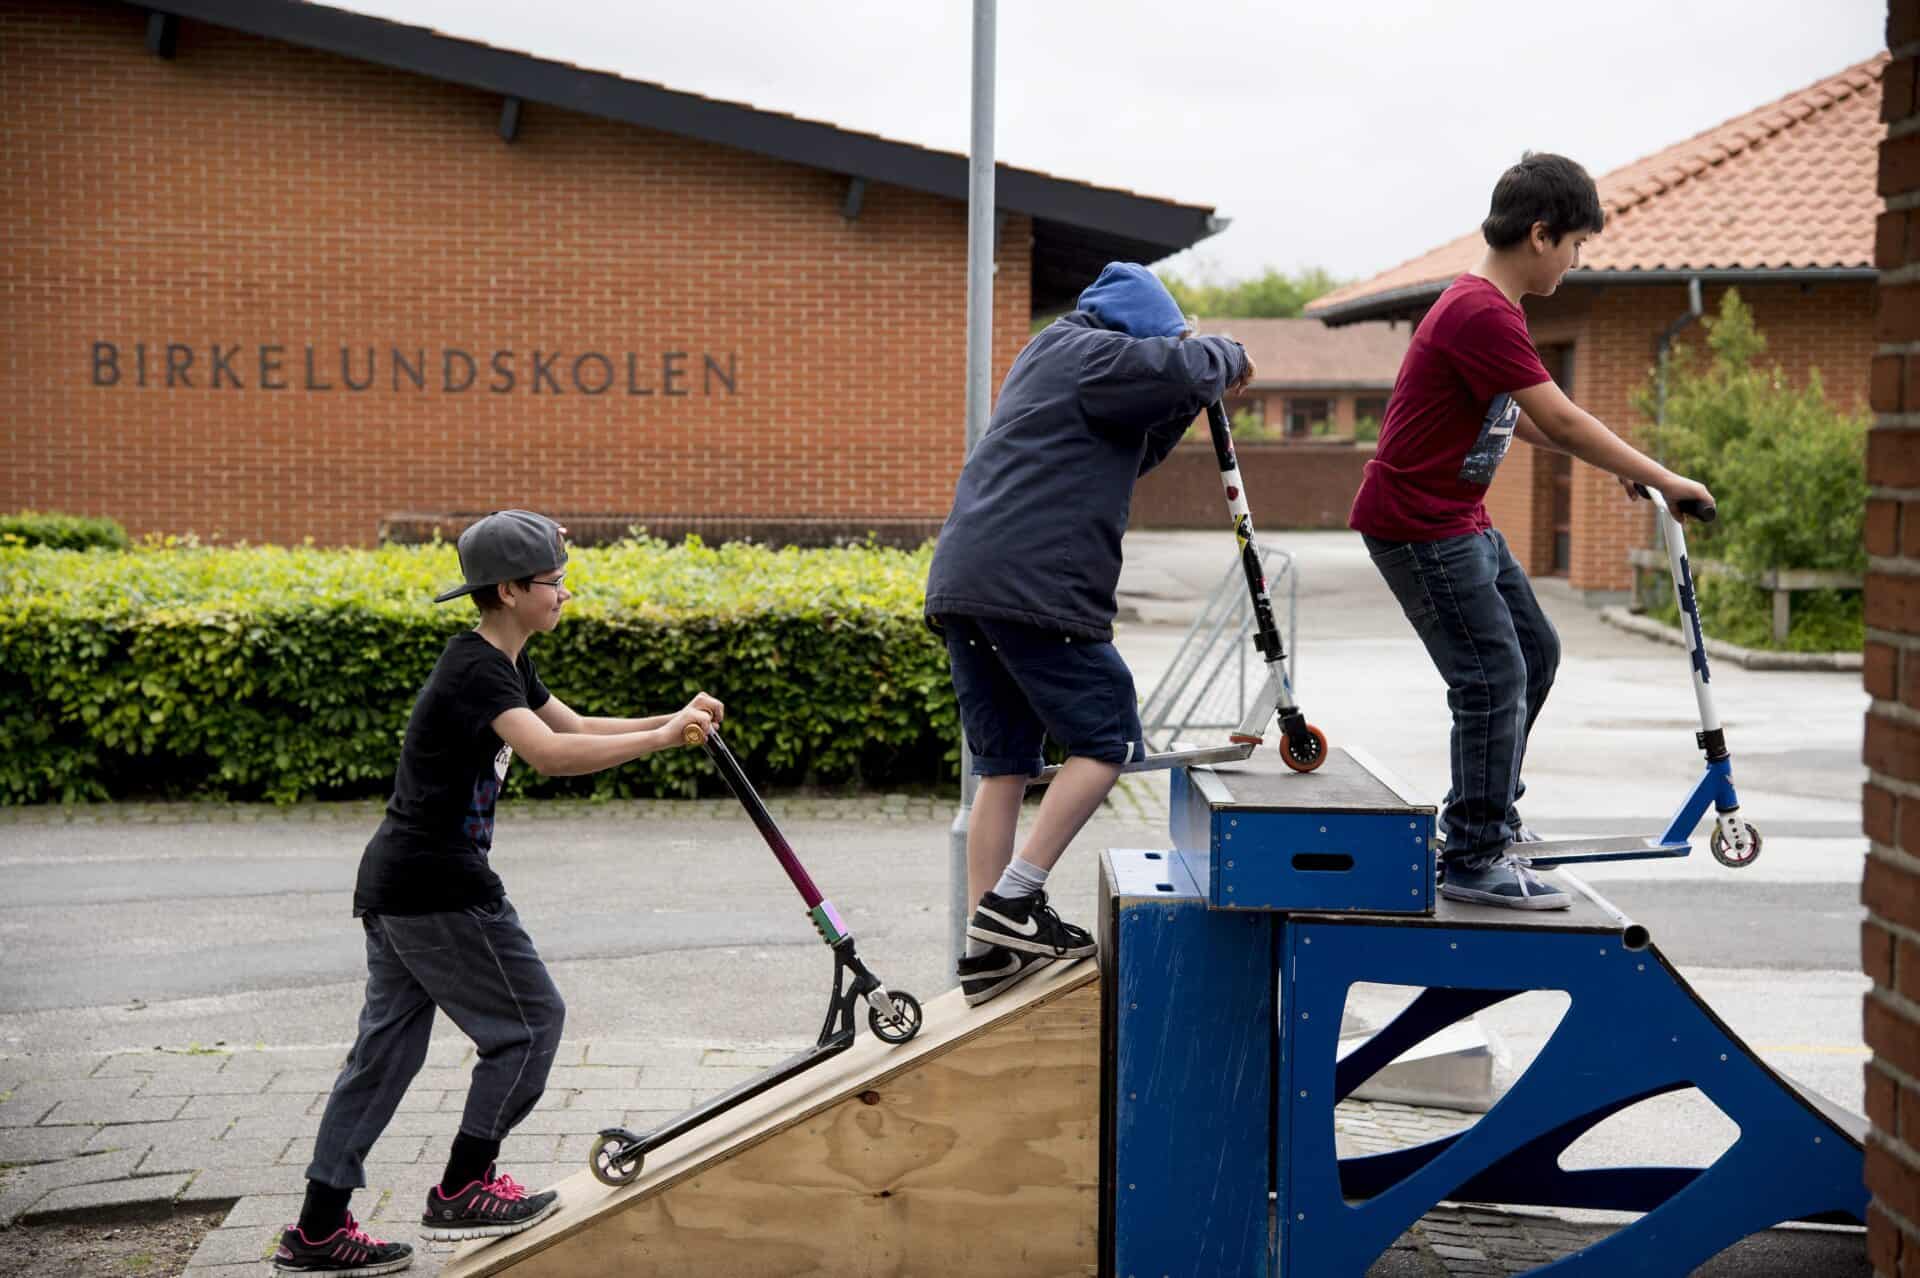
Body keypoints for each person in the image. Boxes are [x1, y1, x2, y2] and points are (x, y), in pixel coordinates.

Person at [272, 509, 724, 1275]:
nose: (565, 595)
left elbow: (571, 723)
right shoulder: (476, 669)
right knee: (529, 1022)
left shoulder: (501, 663)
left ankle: (317, 1229)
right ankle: (465, 1184)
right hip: (438, 886)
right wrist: (658, 739)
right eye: (554, 583)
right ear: (511, 590)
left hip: (400, 885)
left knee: (382, 1058)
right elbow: (550, 756)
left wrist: (673, 720)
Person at [1349, 152, 1715, 911]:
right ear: (1542, 235)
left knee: (1535, 654)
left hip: (1456, 518)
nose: (1577, 263)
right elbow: (1562, 414)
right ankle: (1474, 852)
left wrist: (1624, 467)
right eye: (1578, 245)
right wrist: (1666, 476)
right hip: (1419, 524)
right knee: (1490, 677)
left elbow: (1519, 420)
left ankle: (1486, 812)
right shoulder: (1478, 309)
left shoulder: (1491, 309)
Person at [925, 262, 1253, 1006]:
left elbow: (1137, 446)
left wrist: (1189, 399)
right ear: (1137, 328)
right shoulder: (1095, 352)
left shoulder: (1050, 362)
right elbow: (1180, 366)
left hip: (967, 584)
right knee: (1107, 742)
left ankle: (987, 952)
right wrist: (1225, 356)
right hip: (1034, 584)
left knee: (1003, 765)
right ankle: (1014, 901)